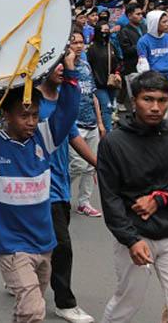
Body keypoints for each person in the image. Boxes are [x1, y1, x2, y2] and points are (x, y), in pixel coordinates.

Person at [0, 48, 79, 323]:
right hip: (12, 247)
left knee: (27, 308)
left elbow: (68, 110)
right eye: (24, 115)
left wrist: (70, 70)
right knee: (34, 311)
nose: (31, 121)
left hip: (45, 244)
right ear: (6, 115)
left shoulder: (45, 138)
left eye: (34, 114)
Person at [97, 71, 168, 322]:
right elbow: (110, 200)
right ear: (134, 101)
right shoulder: (113, 143)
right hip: (135, 236)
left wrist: (160, 198)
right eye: (148, 99)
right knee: (127, 302)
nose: (156, 107)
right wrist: (131, 240)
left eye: (162, 100)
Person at [38, 63, 98, 323]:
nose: (64, 68)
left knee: (43, 243)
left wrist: (100, 165)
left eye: (68, 62)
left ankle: (26, 276)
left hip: (61, 186)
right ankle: (65, 302)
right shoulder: (28, 102)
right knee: (62, 245)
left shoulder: (64, 101)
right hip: (38, 188)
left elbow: (74, 136)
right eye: (58, 62)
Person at [69, 31, 104, 218]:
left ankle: (84, 202)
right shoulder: (61, 69)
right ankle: (59, 196)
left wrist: (100, 122)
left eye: (81, 42)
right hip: (73, 125)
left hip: (91, 123)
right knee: (77, 164)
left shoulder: (85, 66)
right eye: (74, 42)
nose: (79, 46)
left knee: (90, 166)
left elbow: (93, 95)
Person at [137, 10, 168, 119]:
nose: (167, 24)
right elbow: (143, 64)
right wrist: (148, 82)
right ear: (155, 23)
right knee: (158, 114)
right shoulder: (143, 41)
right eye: (164, 22)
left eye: (167, 21)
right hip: (154, 81)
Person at [87, 22, 121, 133]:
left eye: (108, 30)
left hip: (111, 83)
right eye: (103, 31)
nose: (106, 33)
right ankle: (108, 132)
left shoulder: (111, 46)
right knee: (106, 107)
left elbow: (118, 62)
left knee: (110, 108)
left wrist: (117, 73)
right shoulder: (92, 48)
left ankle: (106, 128)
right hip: (98, 84)